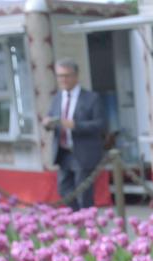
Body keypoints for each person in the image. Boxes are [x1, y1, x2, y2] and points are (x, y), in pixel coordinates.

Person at [42, 59, 106, 211]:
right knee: (64, 189)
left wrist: (76, 125)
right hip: (64, 152)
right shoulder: (58, 97)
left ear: (76, 76)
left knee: (84, 193)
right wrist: (48, 123)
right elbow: (51, 117)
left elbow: (101, 125)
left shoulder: (91, 98)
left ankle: (87, 224)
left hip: (83, 152)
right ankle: (77, 218)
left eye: (66, 76)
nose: (62, 80)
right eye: (59, 76)